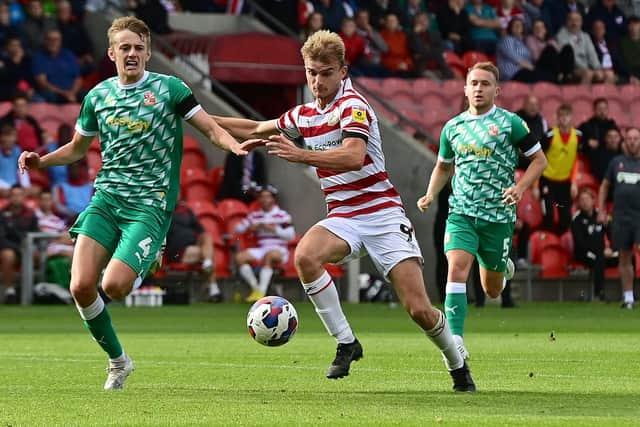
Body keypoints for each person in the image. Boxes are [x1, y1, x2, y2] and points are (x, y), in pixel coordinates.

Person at [213, 30, 475, 392]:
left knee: (419, 310)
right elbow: (257, 126)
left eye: (325, 72)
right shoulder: (304, 115)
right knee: (305, 256)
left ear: (343, 71)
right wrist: (198, 116)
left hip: (383, 216)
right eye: (311, 73)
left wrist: (301, 154)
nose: (317, 81)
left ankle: (457, 363)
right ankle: (347, 342)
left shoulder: (352, 106)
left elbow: (352, 156)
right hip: (344, 216)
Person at [18, 16, 246, 390]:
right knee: (80, 287)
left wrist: (232, 146)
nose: (132, 53)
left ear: (149, 52)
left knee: (118, 286)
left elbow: (209, 127)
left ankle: (149, 250)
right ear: (111, 53)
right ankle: (118, 362)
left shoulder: (170, 89)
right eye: (125, 47)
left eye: (139, 47)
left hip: (149, 204)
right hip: (107, 199)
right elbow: (78, 149)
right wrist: (41, 160)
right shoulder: (98, 96)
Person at [417, 62, 547, 361]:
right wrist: (430, 193)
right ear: (465, 89)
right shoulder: (453, 127)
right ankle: (457, 339)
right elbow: (443, 166)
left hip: (498, 217)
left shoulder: (510, 123)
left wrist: (520, 187)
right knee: (457, 267)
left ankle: (503, 271)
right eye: (473, 83)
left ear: (496, 90)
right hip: (462, 212)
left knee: (492, 290)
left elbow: (539, 161)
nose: (478, 88)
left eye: (485, 83)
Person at [598, 127, 640, 310]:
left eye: (636, 138)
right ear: (625, 141)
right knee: (624, 257)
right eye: (629, 138)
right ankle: (629, 297)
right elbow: (604, 186)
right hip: (621, 217)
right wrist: (601, 210)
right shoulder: (616, 163)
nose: (632, 141)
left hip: (639, 216)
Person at [234, 186, 295, 303]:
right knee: (240, 257)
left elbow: (290, 235)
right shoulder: (255, 215)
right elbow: (238, 229)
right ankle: (256, 289)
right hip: (262, 248)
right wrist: (250, 227)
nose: (264, 199)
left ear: (273, 199)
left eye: (267, 196)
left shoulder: (283, 215)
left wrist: (273, 230)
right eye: (262, 197)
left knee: (269, 256)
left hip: (279, 249)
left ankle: (261, 292)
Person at [165, 200, 221, 303]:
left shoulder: (186, 210)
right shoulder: (164, 211)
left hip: (194, 245)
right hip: (178, 251)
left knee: (207, 237)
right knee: (208, 254)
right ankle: (212, 286)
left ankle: (207, 263)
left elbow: (200, 229)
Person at [539, 103, 580, 234]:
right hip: (547, 181)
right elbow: (538, 158)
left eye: (567, 116)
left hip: (564, 182)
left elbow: (575, 160)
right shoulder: (549, 136)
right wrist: (535, 185)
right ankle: (546, 242)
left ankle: (559, 244)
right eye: (561, 116)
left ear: (571, 117)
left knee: (565, 218)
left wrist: (573, 182)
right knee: (548, 215)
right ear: (557, 118)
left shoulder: (578, 136)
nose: (564, 119)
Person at [571, 187, 617, 302]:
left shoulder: (600, 216)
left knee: (628, 257)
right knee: (599, 259)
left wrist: (611, 249)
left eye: (587, 199)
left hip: (602, 253)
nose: (585, 202)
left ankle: (630, 294)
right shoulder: (577, 220)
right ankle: (598, 294)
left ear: (593, 200)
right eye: (582, 200)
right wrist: (601, 252)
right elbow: (580, 243)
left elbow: (613, 236)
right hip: (584, 254)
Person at [0, 185, 39, 304]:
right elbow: (1, 237)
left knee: (37, 255)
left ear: (24, 197)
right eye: (14, 195)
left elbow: (35, 234)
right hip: (8, 247)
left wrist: (32, 247)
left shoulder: (31, 215)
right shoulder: (2, 214)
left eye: (19, 195)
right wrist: (18, 248)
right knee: (8, 255)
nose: (16, 198)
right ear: (9, 197)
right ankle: (9, 291)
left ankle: (36, 292)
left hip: (27, 247)